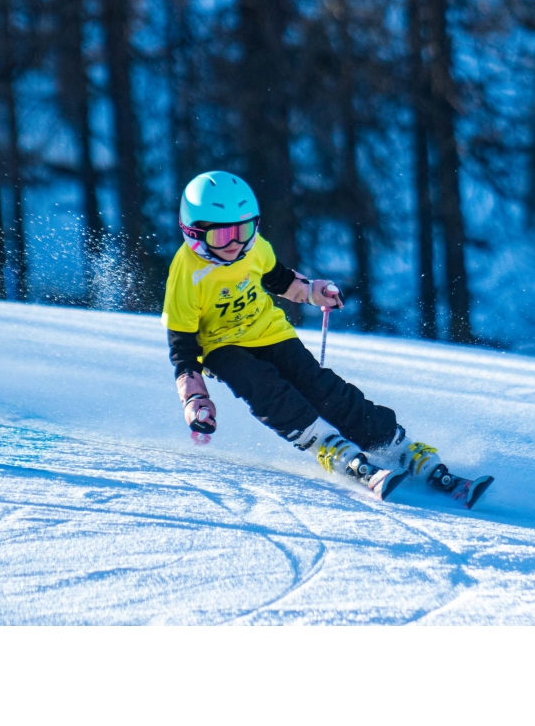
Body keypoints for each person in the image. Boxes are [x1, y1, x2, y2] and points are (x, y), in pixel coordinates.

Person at [161, 170, 462, 501]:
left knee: (321, 387)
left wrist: (313, 291)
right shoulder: (186, 275)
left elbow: (280, 280)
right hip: (220, 346)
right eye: (221, 236)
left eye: (243, 231)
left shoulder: (255, 249)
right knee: (264, 388)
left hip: (269, 331)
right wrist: (195, 399)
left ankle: (394, 445)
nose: (235, 244)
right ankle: (324, 443)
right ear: (194, 232)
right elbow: (182, 350)